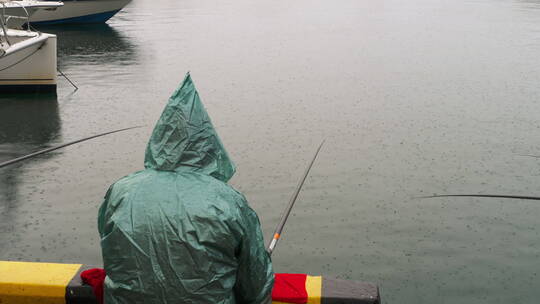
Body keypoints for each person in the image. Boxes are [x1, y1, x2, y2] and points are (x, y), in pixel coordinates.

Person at [97, 73, 274, 304]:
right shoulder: (228, 201)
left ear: (160, 137)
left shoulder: (120, 191)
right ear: (208, 141)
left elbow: (112, 252)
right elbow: (254, 283)